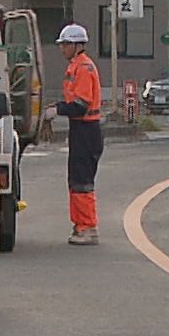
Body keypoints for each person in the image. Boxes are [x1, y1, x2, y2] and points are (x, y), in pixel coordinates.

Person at [52, 23, 104, 246]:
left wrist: (58, 110)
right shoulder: (77, 65)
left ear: (76, 45)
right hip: (81, 128)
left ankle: (88, 227)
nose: (62, 48)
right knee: (75, 179)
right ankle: (80, 225)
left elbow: (81, 105)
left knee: (82, 180)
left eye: (65, 44)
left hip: (86, 129)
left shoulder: (84, 68)